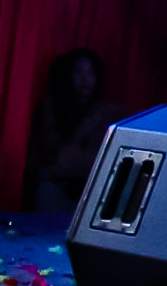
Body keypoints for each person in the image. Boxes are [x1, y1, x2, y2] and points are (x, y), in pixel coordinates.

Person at [24, 46, 114, 216]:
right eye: (78, 71)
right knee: (45, 192)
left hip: (91, 192)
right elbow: (38, 156)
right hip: (55, 188)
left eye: (91, 72)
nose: (85, 79)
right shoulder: (49, 110)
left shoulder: (109, 114)